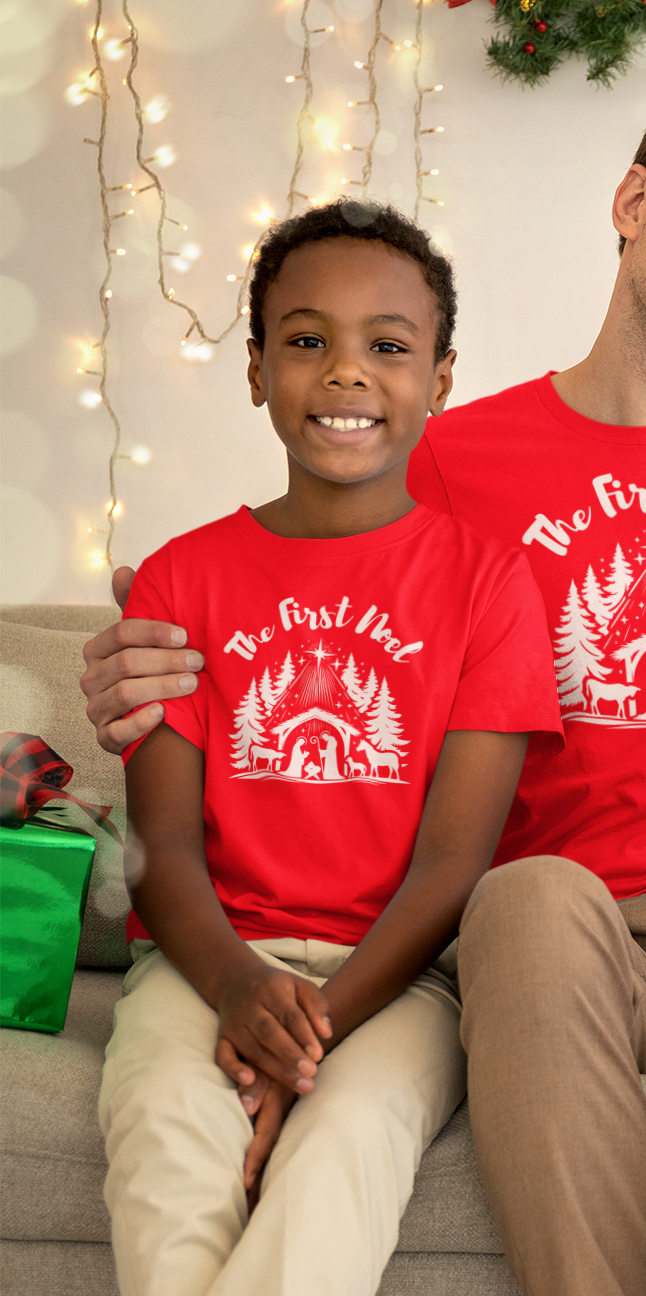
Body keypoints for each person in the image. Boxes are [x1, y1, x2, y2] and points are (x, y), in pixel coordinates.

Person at [80, 76, 646, 1296]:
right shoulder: (442, 461)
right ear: (634, 200)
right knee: (530, 898)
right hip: (563, 924)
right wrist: (149, 649)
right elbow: (289, 620)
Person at [97, 201, 563, 1296]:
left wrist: (304, 1036)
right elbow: (159, 844)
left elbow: (455, 864)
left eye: (387, 347)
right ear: (257, 371)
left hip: (401, 982)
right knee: (169, 1137)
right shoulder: (184, 578)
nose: (346, 374)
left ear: (441, 377)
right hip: (208, 961)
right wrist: (237, 991)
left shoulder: (491, 585)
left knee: (343, 1149)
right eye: (307, 342)